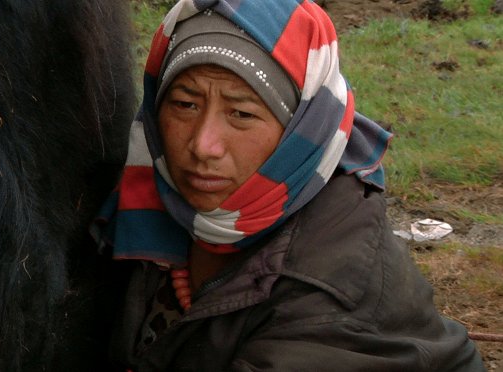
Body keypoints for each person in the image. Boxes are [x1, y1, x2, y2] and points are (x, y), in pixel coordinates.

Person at [93, 0, 485, 370]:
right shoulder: (143, 203)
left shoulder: (334, 286)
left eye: (241, 113)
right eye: (185, 104)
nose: (202, 145)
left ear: (300, 131)